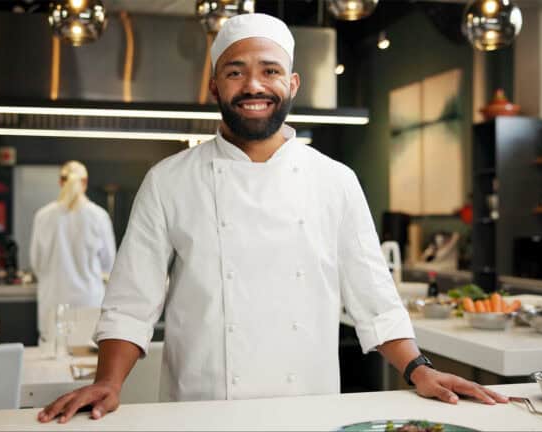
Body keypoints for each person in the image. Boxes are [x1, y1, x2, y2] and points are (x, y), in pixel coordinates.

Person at [38, 14, 508, 424]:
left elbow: (376, 300)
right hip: (201, 411)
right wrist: (109, 383)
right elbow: (130, 302)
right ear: (214, 85)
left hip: (309, 408)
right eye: (236, 72)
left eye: (270, 71)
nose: (254, 86)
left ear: (292, 84)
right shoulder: (168, 181)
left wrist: (419, 370)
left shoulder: (335, 180)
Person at [29, 161, 116, 339]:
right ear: (85, 182)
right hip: (89, 304)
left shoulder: (43, 216)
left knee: (50, 361)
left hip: (53, 304)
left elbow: (36, 263)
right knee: (87, 361)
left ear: (60, 182)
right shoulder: (99, 216)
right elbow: (109, 264)